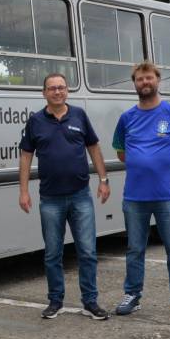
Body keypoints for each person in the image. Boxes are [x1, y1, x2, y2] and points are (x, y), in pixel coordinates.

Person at [19, 72, 110, 320]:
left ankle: (90, 302)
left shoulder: (79, 115)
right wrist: (23, 191)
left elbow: (94, 148)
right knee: (52, 254)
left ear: (67, 91)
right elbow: (26, 156)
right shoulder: (35, 121)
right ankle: (55, 301)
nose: (57, 91)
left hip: (81, 196)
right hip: (50, 200)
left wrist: (103, 180)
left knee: (88, 252)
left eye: (61, 87)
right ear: (44, 93)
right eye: (52, 88)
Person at [112, 61, 170, 322]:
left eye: (149, 78)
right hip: (135, 197)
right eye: (140, 79)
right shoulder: (126, 118)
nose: (145, 82)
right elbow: (120, 152)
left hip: (168, 196)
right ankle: (132, 295)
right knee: (134, 250)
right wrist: (144, 164)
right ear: (135, 84)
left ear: (158, 80)